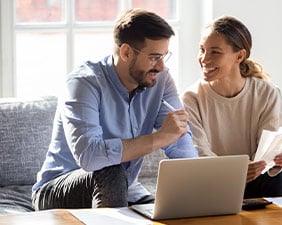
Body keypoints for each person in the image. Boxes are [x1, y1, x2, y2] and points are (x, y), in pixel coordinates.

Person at [32, 9, 198, 210]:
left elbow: (179, 138)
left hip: (125, 188)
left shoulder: (160, 80)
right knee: (111, 172)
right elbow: (90, 156)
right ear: (126, 52)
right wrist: (158, 138)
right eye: (155, 57)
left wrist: (196, 184)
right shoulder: (84, 83)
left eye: (164, 56)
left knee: (170, 212)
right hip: (57, 188)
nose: (161, 66)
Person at [182, 16, 282, 198]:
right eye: (202, 50)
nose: (204, 59)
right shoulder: (191, 98)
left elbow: (269, 150)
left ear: (240, 56)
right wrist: (237, 171)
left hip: (257, 178)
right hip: (214, 182)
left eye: (215, 52)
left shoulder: (266, 92)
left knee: (277, 178)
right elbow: (199, 154)